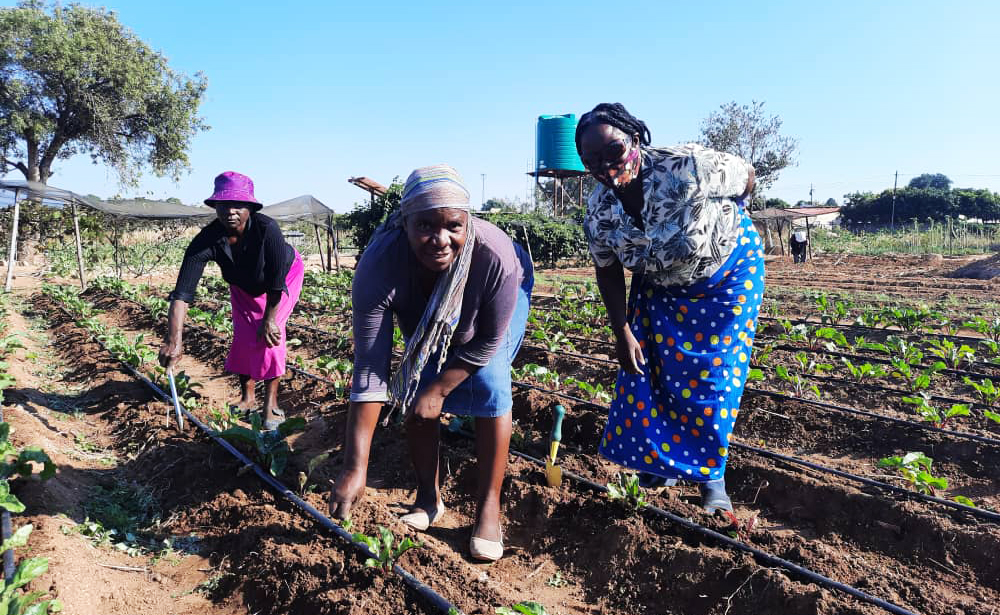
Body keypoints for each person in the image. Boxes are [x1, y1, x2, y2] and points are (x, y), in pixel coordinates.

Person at [328, 164, 532, 562]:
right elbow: (371, 366)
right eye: (424, 226)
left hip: (489, 302)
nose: (440, 240)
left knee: (489, 384)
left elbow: (488, 339)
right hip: (423, 305)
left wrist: (440, 389)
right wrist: (355, 466)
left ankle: (488, 508)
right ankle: (428, 498)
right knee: (416, 388)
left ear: (467, 222)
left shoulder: (495, 256)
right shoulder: (379, 266)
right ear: (404, 223)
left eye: (453, 226)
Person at [575, 103, 764, 514]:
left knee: (712, 377)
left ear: (636, 139)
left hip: (726, 276)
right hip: (660, 285)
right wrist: (621, 332)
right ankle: (662, 464)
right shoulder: (599, 209)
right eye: (591, 161)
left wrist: (730, 215)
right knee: (654, 371)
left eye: (614, 152)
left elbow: (747, 177)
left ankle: (711, 474)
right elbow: (607, 271)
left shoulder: (687, 166)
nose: (606, 167)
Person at [158, 171, 304, 430]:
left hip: (283, 278)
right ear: (216, 207)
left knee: (270, 335)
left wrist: (269, 319)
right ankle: (247, 398)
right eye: (223, 205)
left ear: (250, 207)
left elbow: (276, 281)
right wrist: (174, 341)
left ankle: (270, 404)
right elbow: (182, 293)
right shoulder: (207, 240)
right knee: (244, 336)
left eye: (238, 205)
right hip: (243, 286)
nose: (230, 211)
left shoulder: (267, 230)